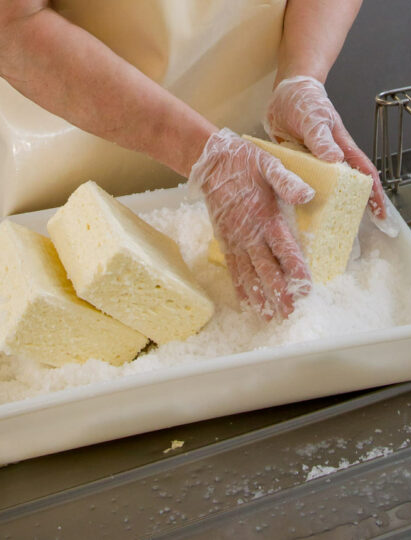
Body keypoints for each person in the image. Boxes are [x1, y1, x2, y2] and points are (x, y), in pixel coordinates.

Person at [0, 0, 388, 319]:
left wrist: (302, 74)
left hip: (245, 144)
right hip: (68, 148)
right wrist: (201, 153)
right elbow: (12, 24)